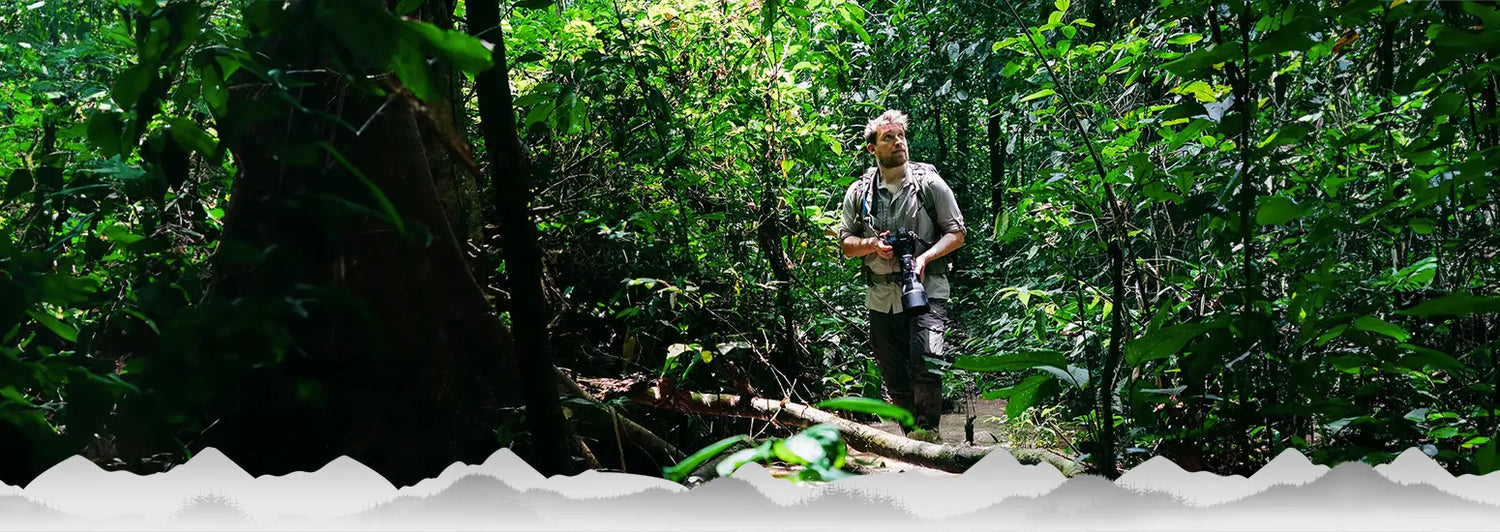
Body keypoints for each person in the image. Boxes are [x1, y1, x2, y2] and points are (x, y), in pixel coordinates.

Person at [838, 110, 966, 442]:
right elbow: (846, 244)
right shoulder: (859, 193)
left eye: (901, 136)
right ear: (872, 149)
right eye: (888, 138)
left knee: (927, 360)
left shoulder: (929, 185)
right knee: (894, 374)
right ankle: (913, 440)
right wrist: (871, 245)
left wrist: (924, 257)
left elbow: (957, 233)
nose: (898, 143)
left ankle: (930, 434)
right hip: (881, 296)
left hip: (927, 287)